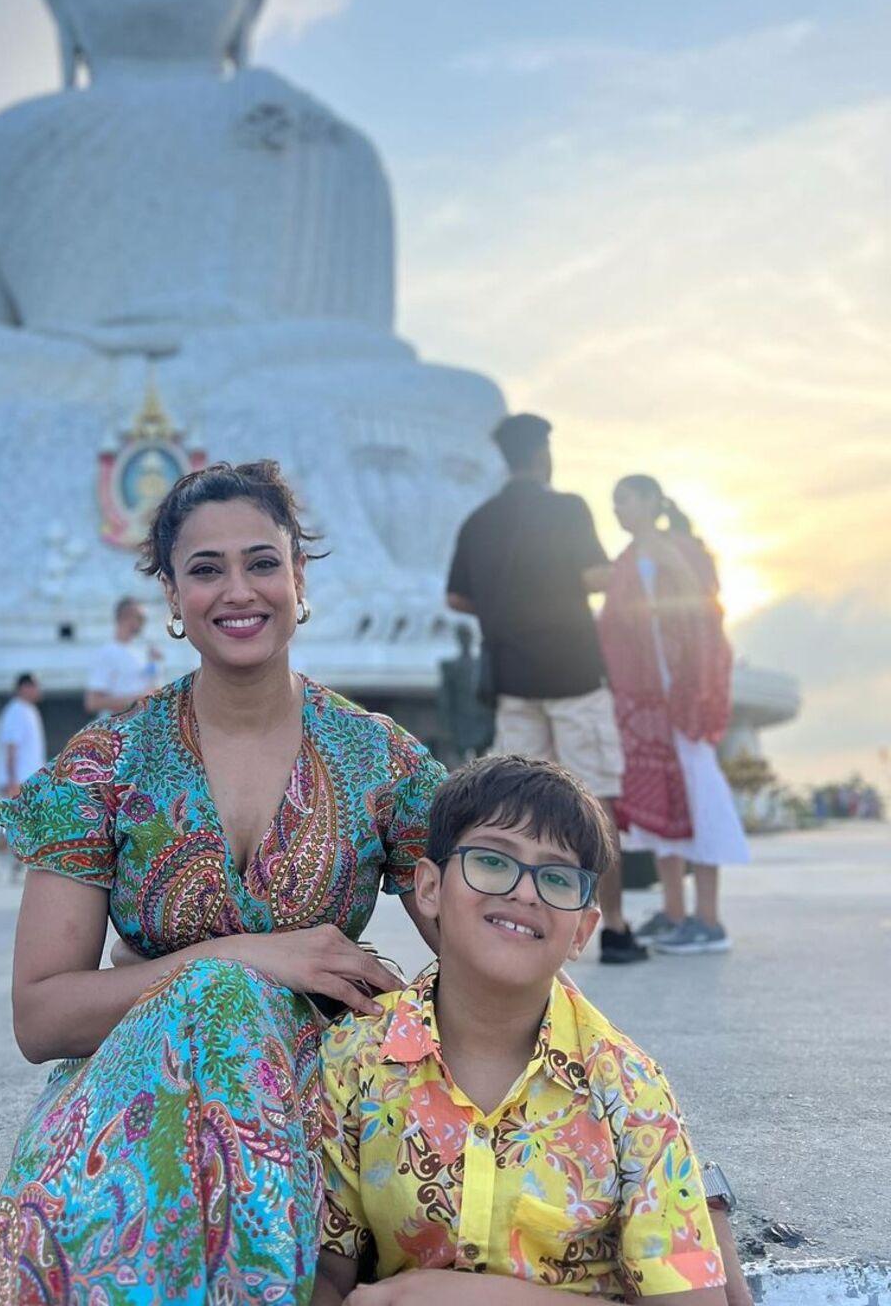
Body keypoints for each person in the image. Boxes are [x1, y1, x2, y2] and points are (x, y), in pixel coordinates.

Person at [0, 460, 449, 1305]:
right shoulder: (106, 765)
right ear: (171, 597)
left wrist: (621, 1119)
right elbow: (41, 1015)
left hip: (326, 1095)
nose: (240, 590)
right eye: (206, 568)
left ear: (299, 579)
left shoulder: (380, 758)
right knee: (223, 997)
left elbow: (487, 958)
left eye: (262, 562)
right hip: (142, 1094)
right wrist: (248, 957)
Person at [313, 756, 746, 1305]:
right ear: (428, 888)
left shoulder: (628, 1091)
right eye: (493, 861)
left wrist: (449, 1296)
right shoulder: (356, 1058)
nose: (524, 891)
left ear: (583, 929)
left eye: (557, 877)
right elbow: (327, 1274)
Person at [446, 413, 645, 964]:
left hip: (513, 677)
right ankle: (617, 927)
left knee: (516, 805)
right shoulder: (567, 509)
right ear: (543, 456)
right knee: (597, 797)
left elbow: (457, 599)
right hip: (573, 673)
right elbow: (594, 577)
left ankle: (514, 928)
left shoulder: (480, 520)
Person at [599, 477, 749, 955]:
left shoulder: (683, 548)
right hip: (644, 703)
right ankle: (675, 912)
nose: (618, 510)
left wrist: (672, 566)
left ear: (649, 501)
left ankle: (708, 919)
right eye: (614, 503)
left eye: (624, 500)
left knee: (700, 794)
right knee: (660, 802)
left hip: (684, 695)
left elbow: (706, 610)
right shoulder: (624, 561)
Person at [0, 673, 46, 879]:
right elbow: (11, 746)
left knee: (28, 824)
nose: (38, 690)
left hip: (30, 780)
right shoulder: (16, 711)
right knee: (26, 824)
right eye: (34, 686)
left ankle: (14, 863)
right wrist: (11, 781)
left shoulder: (30, 711)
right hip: (19, 780)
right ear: (23, 687)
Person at [83, 596, 160, 717]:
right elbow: (93, 702)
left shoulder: (141, 650)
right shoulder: (107, 653)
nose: (143, 623)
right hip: (116, 729)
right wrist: (137, 700)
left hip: (140, 726)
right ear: (125, 617)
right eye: (140, 618)